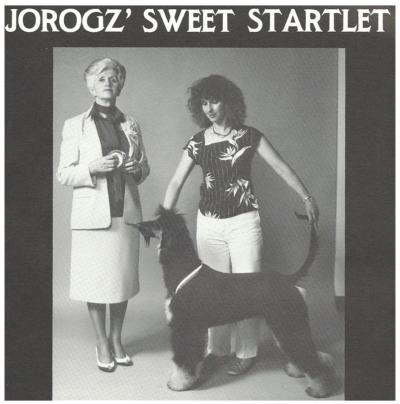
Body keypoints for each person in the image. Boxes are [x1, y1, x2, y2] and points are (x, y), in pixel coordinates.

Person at [163, 74, 319, 376]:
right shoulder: (197, 142)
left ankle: (247, 352)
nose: (209, 108)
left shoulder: (250, 136)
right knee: (212, 293)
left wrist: (307, 197)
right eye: (204, 103)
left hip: (244, 223)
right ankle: (218, 351)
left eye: (215, 101)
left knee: (250, 291)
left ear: (229, 102)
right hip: (209, 226)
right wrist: (165, 223)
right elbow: (175, 182)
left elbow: (281, 167)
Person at [57, 58, 150, 372]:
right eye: (101, 78)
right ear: (90, 86)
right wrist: (91, 168)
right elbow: (63, 173)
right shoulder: (75, 124)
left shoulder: (131, 124)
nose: (107, 83)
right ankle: (101, 342)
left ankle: (116, 339)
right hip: (93, 216)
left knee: (120, 280)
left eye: (113, 78)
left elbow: (144, 168)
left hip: (126, 213)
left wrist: (137, 169)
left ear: (120, 85)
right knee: (96, 281)